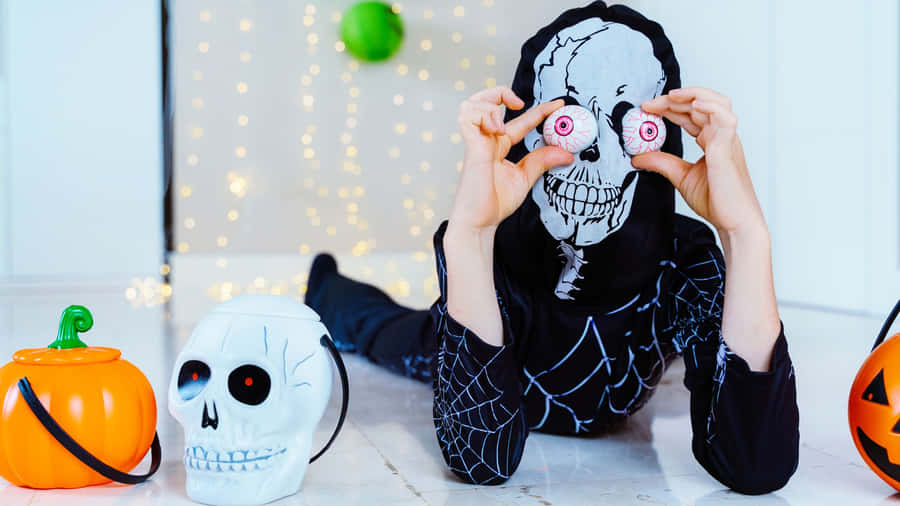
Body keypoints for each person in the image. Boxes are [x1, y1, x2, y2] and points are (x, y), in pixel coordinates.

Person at [306, 1, 798, 495]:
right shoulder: (490, 255)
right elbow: (481, 462)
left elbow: (756, 465)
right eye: (569, 121)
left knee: (705, 343)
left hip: (632, 342)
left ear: (658, 139)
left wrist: (745, 233)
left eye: (625, 124)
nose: (593, 150)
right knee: (381, 330)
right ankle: (326, 286)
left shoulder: (683, 262)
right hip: (489, 310)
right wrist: (472, 235)